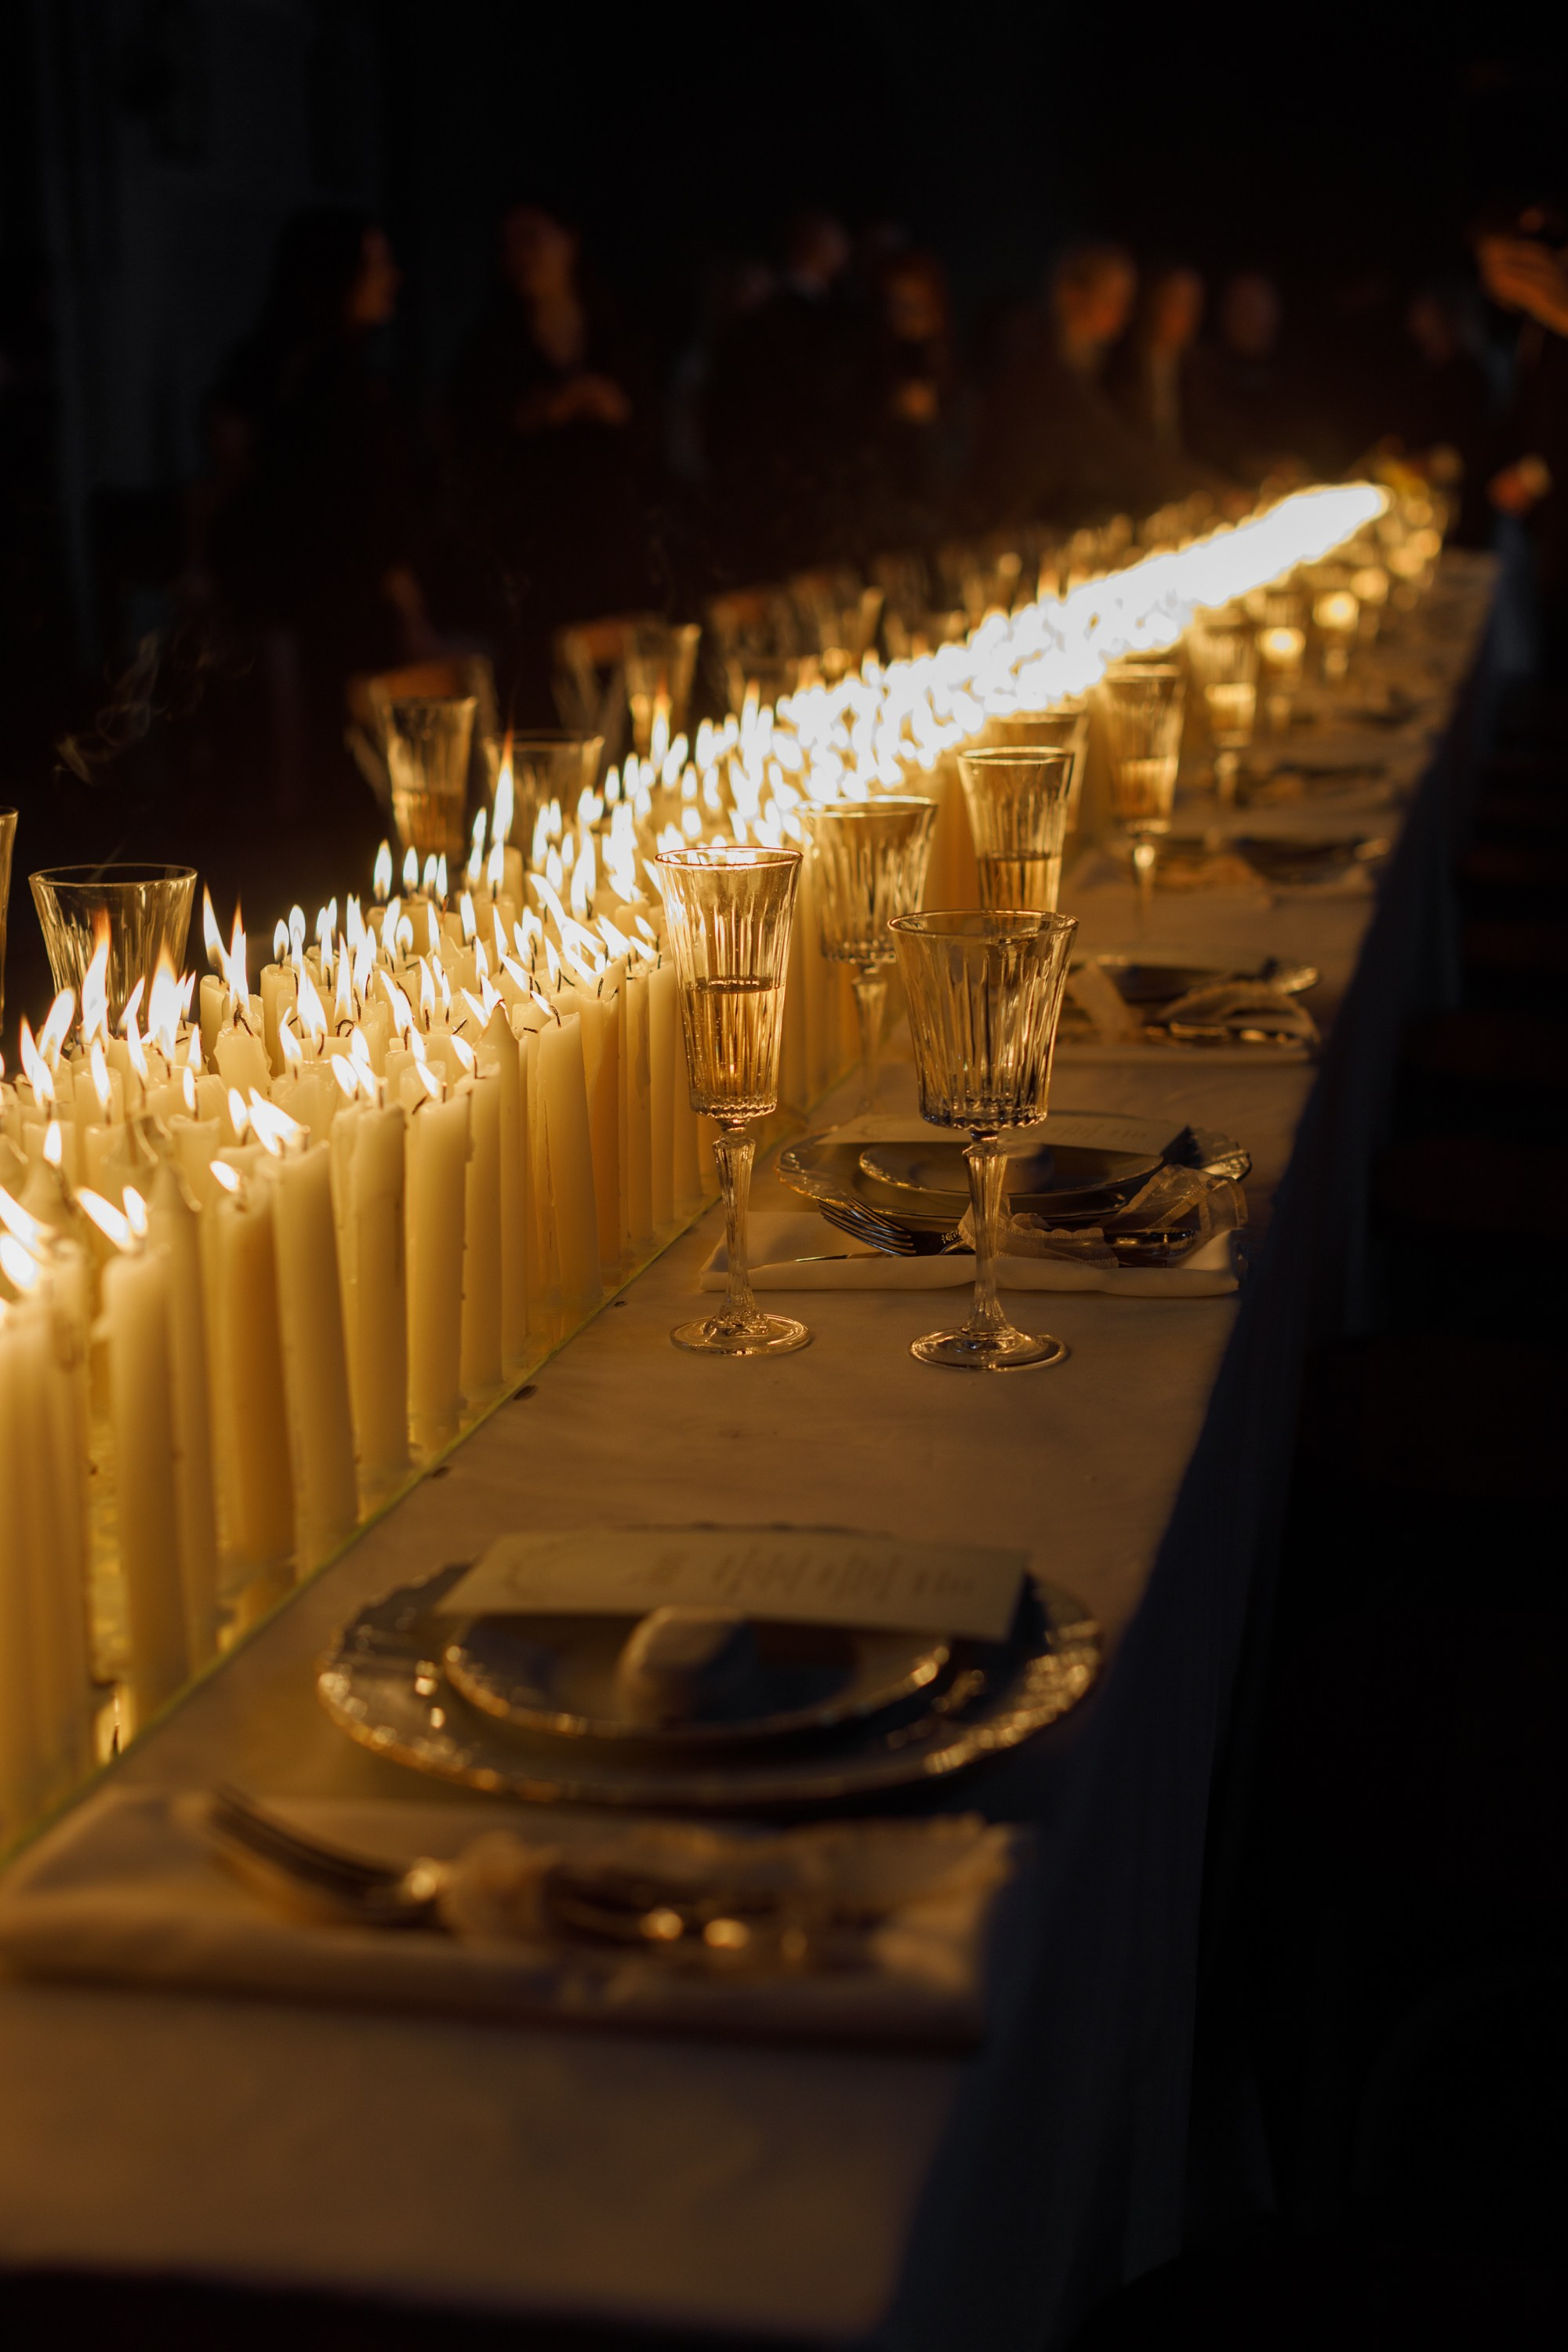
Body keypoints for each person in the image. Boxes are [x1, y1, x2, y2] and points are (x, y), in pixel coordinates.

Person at [203, 206, 436, 823]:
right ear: (336, 277)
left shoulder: (310, 372)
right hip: (331, 610)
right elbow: (354, 509)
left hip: (312, 602)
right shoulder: (326, 380)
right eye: (374, 263)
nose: (391, 277)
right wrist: (403, 598)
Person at [449, 198, 656, 656]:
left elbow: (653, 436)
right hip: (532, 559)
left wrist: (614, 408)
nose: (521, 255)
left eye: (533, 238)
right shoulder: (490, 349)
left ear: (570, 242)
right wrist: (536, 414)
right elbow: (471, 451)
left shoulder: (614, 335)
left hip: (614, 549)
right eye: (510, 244)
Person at [967, 241, 1204, 531]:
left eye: (1126, 300)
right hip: (994, 528)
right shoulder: (1043, 373)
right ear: (1071, 296)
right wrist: (1212, 491)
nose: (1123, 312)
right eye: (1112, 298)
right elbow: (1119, 450)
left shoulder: (1087, 369)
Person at [703, 209, 873, 577]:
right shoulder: (811, 321)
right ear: (819, 246)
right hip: (809, 483)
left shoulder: (764, 320)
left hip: (775, 486)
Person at [1475, 207, 1568, 660]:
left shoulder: (1557, 317)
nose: (1494, 280)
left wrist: (1536, 474)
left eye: (1503, 265)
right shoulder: (1532, 323)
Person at [858, 249, 964, 552]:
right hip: (880, 544)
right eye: (896, 307)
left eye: (917, 307)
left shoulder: (951, 381)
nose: (907, 321)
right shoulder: (867, 381)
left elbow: (951, 477)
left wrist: (927, 427)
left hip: (936, 540)